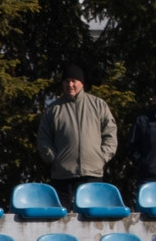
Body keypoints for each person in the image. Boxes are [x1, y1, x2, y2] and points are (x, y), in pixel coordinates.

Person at [36, 64, 118, 209]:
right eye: (67, 81)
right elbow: (44, 138)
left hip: (92, 173)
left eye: (74, 80)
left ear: (82, 82)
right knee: (63, 220)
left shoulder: (98, 105)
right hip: (63, 176)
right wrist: (53, 159)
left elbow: (110, 133)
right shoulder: (53, 109)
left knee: (92, 220)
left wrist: (102, 157)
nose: (70, 85)